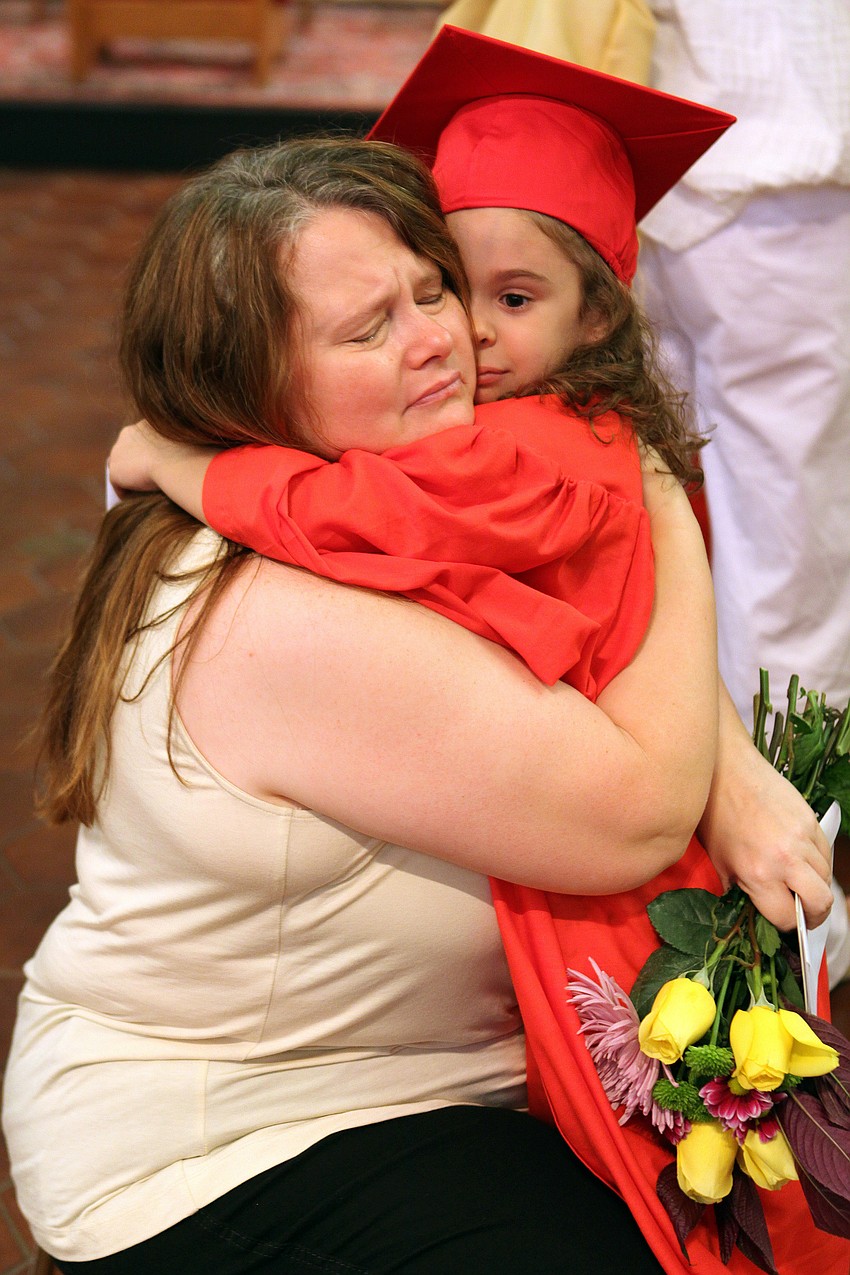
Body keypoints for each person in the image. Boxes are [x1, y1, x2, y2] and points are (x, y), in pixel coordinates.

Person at [104, 31, 846, 1275]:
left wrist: (172, 460)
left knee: (650, 1132)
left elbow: (356, 515)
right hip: (267, 1076)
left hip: (590, 854)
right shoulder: (593, 427)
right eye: (439, 288)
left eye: (509, 300)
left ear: (598, 308)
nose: (461, 341)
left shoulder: (523, 453)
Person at [3, 133, 724, 1275]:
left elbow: (607, 659)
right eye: (366, 329)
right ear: (248, 384)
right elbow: (633, 808)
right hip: (225, 1134)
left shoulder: (380, 499)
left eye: (428, 288)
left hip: (415, 1076)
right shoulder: (278, 612)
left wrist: (740, 773)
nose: (444, 338)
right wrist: (645, 473)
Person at [635, 0, 850, 984]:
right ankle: (786, 919)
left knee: (674, 525)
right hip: (786, 159)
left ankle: (691, 863)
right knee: (785, 564)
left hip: (664, 144)